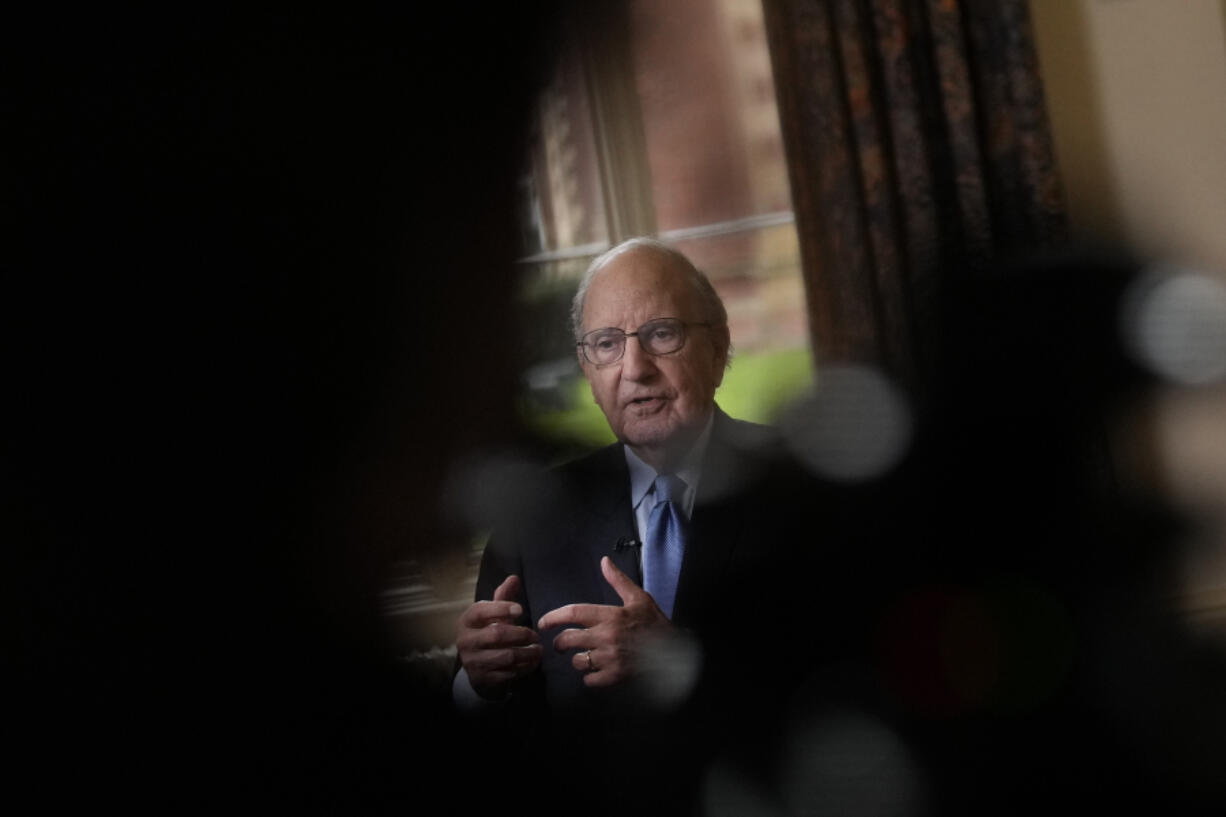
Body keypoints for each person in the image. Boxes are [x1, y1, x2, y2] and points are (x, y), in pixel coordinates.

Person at [450, 238, 864, 815]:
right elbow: (497, 749)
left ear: (719, 348)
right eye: (607, 344)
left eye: (662, 334)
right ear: (587, 371)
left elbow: (854, 700)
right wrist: (477, 684)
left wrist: (678, 664)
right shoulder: (534, 516)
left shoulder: (810, 493)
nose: (634, 369)